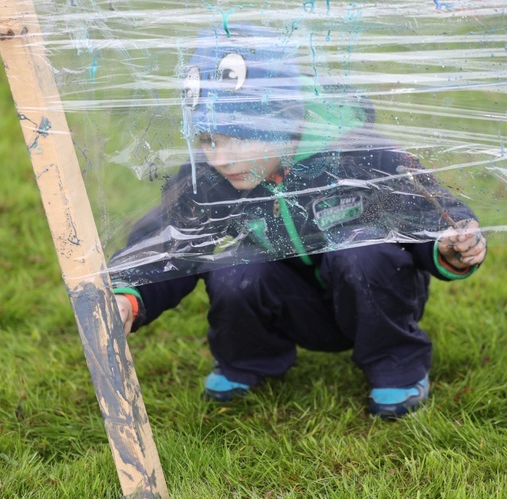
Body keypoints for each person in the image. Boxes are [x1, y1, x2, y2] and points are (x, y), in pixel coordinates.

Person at [109, 24, 487, 419]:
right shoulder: (212, 179)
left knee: (360, 249)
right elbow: (174, 243)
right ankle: (250, 358)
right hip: (289, 301)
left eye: (239, 138)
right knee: (233, 266)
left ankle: (395, 362)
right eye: (208, 141)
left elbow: (427, 209)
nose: (222, 159)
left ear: (282, 121)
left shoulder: (355, 152)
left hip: (373, 291)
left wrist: (449, 243)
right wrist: (128, 296)